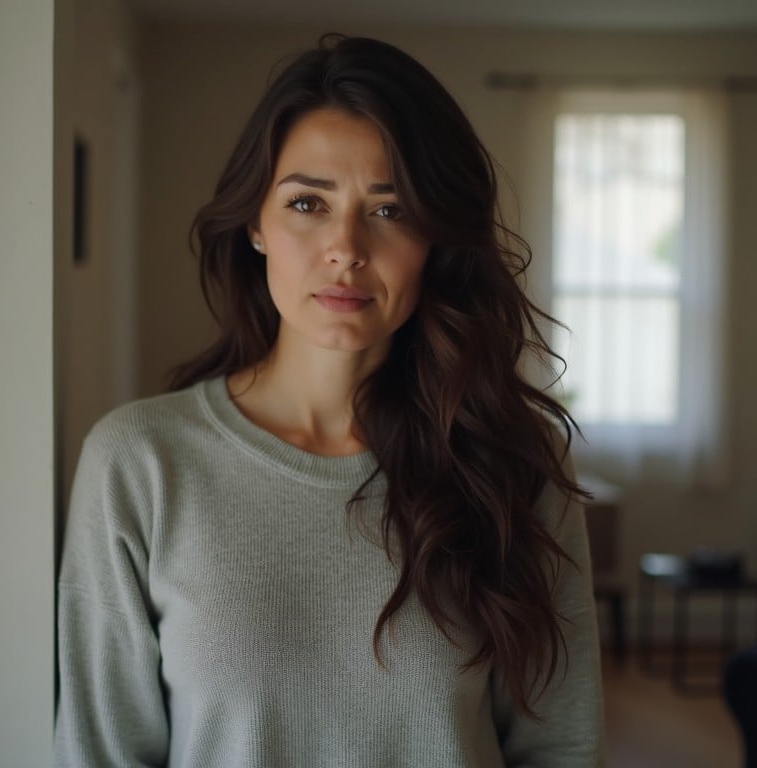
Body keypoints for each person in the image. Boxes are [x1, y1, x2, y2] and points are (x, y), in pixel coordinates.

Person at [54, 34, 603, 768]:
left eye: (389, 210)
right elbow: (98, 753)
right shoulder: (140, 462)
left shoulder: (516, 464)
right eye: (308, 202)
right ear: (256, 224)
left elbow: (562, 747)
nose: (345, 247)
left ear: (436, 240)